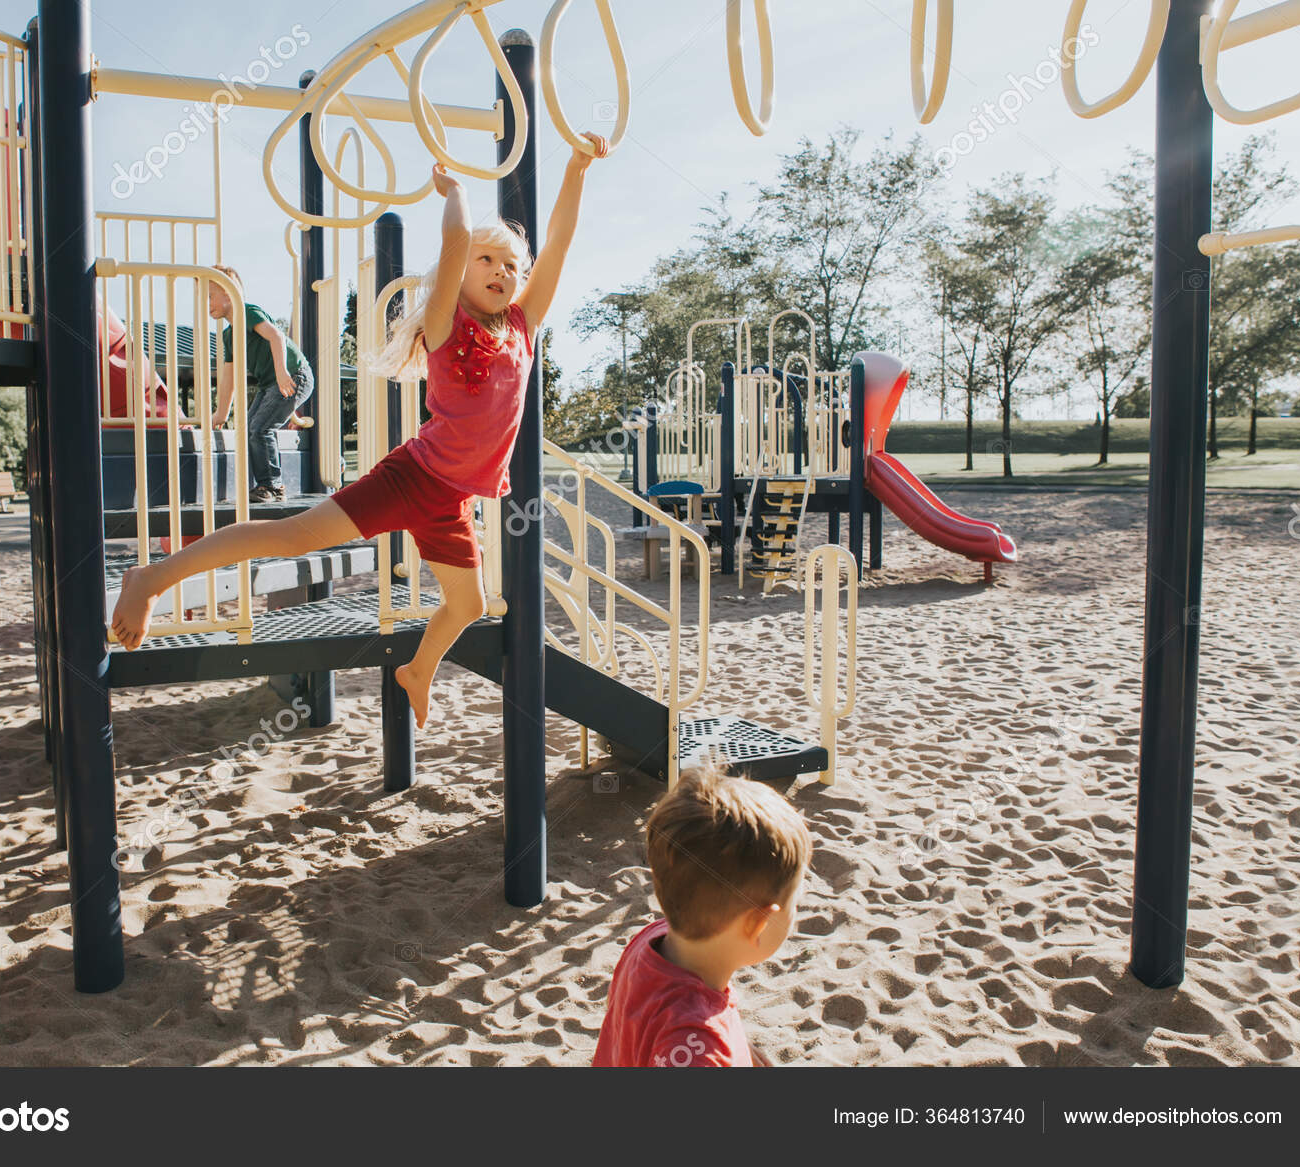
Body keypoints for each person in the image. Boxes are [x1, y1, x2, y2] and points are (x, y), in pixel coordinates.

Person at [111, 133, 611, 731]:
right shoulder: (445, 323)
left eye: (511, 265)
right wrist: (455, 192)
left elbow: (557, 244)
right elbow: (455, 240)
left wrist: (577, 168)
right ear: (461, 274)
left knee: (468, 604)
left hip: (449, 500)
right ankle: (153, 578)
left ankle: (418, 670)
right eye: (487, 260)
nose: (502, 271)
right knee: (295, 537)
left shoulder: (523, 327)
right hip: (412, 478)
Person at [593, 766, 813, 1067]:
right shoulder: (697, 1051)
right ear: (757, 924)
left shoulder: (652, 941)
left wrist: (737, 1045)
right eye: (794, 901)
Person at [207, 265, 313, 503]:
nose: (207, 303)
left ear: (228, 292)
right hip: (271, 384)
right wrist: (221, 413)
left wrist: (282, 372)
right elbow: (229, 376)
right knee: (249, 428)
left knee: (260, 428)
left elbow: (276, 336)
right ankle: (266, 484)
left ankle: (272, 486)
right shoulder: (229, 335)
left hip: (294, 375)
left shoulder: (247, 313)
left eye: (210, 296)